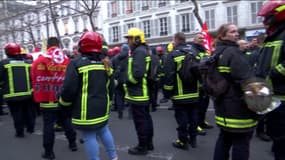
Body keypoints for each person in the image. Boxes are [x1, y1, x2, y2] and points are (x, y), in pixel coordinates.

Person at [58, 31, 118, 160]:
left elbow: (68, 89)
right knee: (104, 130)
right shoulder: (106, 64)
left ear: (82, 46)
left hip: (86, 110)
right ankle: (113, 157)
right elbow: (111, 88)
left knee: (89, 136)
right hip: (103, 108)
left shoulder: (76, 63)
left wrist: (63, 103)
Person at [212, 23, 258, 160]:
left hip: (222, 107)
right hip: (238, 108)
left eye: (237, 31)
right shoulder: (234, 53)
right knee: (241, 143)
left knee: (224, 140)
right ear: (222, 35)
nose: (237, 34)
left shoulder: (216, 52)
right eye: (232, 32)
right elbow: (248, 81)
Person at [31, 37, 77, 160]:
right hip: (63, 99)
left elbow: (34, 76)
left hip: (47, 98)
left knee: (48, 125)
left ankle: (49, 152)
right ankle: (73, 144)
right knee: (66, 121)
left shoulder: (40, 60)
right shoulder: (67, 60)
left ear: (48, 46)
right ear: (58, 45)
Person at [256, 1, 285, 159]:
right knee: (277, 135)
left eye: (267, 17)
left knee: (281, 138)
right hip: (272, 95)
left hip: (281, 96)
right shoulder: (274, 35)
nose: (264, 21)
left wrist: (272, 74)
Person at [164, 32, 200, 150]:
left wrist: (167, 93)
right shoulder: (195, 52)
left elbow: (169, 75)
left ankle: (183, 141)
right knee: (194, 117)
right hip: (195, 92)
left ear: (176, 40)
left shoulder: (173, 54)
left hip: (180, 94)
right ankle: (193, 139)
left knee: (182, 119)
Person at [123, 27, 154, 155]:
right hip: (141, 92)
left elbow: (138, 74)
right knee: (146, 119)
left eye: (129, 38)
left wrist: (127, 81)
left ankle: (142, 146)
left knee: (141, 121)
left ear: (136, 39)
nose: (128, 41)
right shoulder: (141, 50)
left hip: (138, 93)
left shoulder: (139, 52)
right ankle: (148, 143)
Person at [0, 42, 36, 137]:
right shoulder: (28, 63)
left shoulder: (4, 63)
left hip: (12, 95)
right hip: (28, 93)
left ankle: (20, 132)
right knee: (28, 111)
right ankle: (30, 128)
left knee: (16, 114)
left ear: (7, 52)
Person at [189, 32, 214, 136]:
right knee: (197, 107)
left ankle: (202, 122)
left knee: (204, 105)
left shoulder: (205, 50)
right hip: (198, 83)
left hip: (206, 83)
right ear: (194, 40)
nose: (202, 39)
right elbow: (194, 67)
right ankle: (196, 125)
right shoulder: (192, 51)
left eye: (203, 38)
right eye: (199, 38)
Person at [112, 44, 129, 119]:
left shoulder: (115, 58)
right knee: (129, 97)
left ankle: (120, 113)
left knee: (119, 97)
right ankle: (130, 114)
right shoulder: (130, 57)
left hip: (118, 80)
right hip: (127, 80)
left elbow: (112, 69)